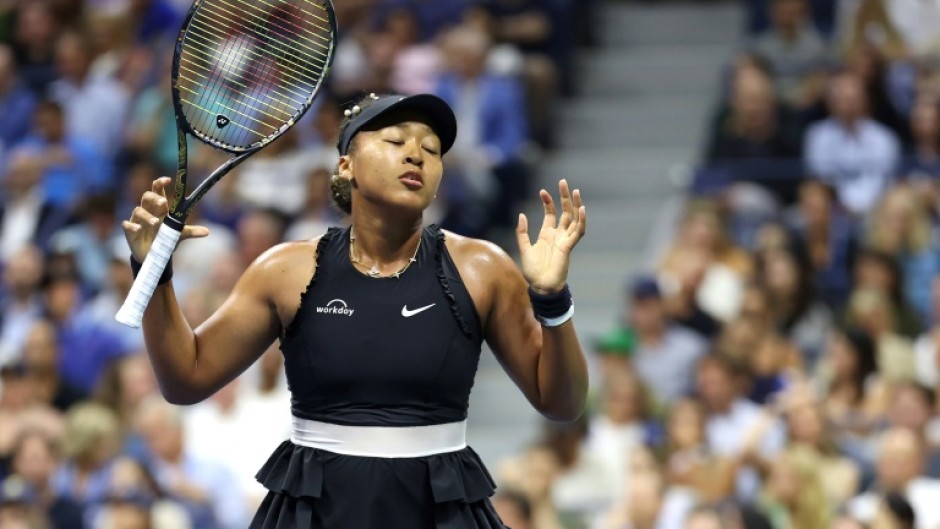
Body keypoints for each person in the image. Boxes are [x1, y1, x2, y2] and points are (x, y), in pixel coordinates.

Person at [121, 92, 589, 529]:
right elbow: (185, 379)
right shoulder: (285, 269)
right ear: (347, 165)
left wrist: (552, 300)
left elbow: (563, 404)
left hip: (440, 511)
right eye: (394, 141)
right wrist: (152, 270)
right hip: (315, 509)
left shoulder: (483, 268)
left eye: (432, 149)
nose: (416, 155)